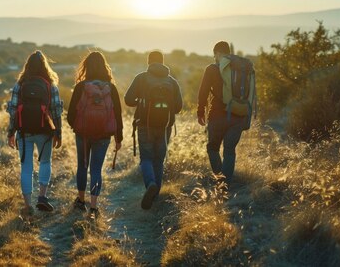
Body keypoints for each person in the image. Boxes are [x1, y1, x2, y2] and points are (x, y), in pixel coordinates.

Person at [6, 50, 63, 216]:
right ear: (45, 66)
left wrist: (11, 132)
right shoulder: (51, 85)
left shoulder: (20, 85)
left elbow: (14, 111)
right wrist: (58, 133)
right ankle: (42, 197)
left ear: (27, 66)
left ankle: (27, 205)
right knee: (45, 162)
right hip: (44, 131)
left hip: (24, 132)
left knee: (26, 167)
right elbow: (56, 111)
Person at [67, 51, 123, 218]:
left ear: (86, 67)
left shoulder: (80, 87)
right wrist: (118, 138)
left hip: (83, 135)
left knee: (82, 166)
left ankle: (81, 201)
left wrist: (77, 128)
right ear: (104, 67)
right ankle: (93, 207)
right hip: (104, 135)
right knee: (96, 169)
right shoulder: (110, 88)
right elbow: (118, 115)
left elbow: (70, 114)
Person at [125, 50, 183, 210]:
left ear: (149, 62)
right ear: (163, 62)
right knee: (159, 160)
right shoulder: (171, 81)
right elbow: (178, 107)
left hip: (145, 125)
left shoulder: (141, 78)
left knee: (146, 159)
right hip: (165, 126)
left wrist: (141, 101)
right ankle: (155, 197)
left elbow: (127, 99)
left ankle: (150, 184)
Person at [197, 41, 253, 181]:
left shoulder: (211, 69)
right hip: (239, 115)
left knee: (213, 148)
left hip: (217, 115)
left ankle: (220, 182)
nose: (214, 58)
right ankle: (226, 183)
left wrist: (200, 112)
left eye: (214, 55)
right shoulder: (241, 69)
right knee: (229, 150)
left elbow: (203, 92)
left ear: (217, 53)